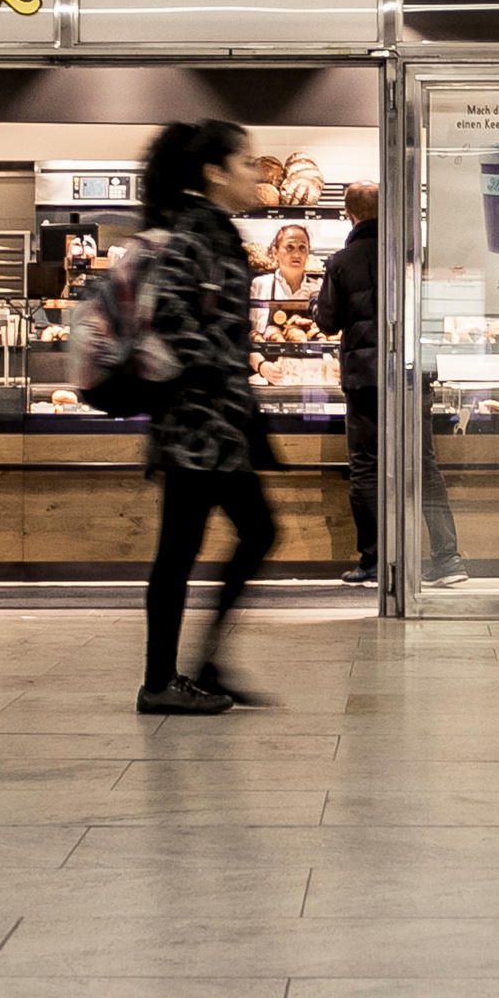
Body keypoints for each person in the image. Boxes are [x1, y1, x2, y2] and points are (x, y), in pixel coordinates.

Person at [132, 117, 277, 715]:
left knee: (253, 533)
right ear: (214, 173)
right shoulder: (193, 233)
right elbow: (166, 314)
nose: (258, 174)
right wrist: (223, 372)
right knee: (180, 552)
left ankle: (201, 667)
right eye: (247, 163)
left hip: (215, 425)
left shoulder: (213, 231)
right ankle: (161, 682)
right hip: (197, 426)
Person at [314, 180, 460, 590]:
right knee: (424, 467)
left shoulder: (341, 262)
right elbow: (436, 316)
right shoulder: (413, 258)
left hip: (364, 381)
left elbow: (327, 321)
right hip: (412, 376)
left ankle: (374, 560)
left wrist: (314, 302)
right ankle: (448, 558)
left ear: (350, 215)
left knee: (366, 466)